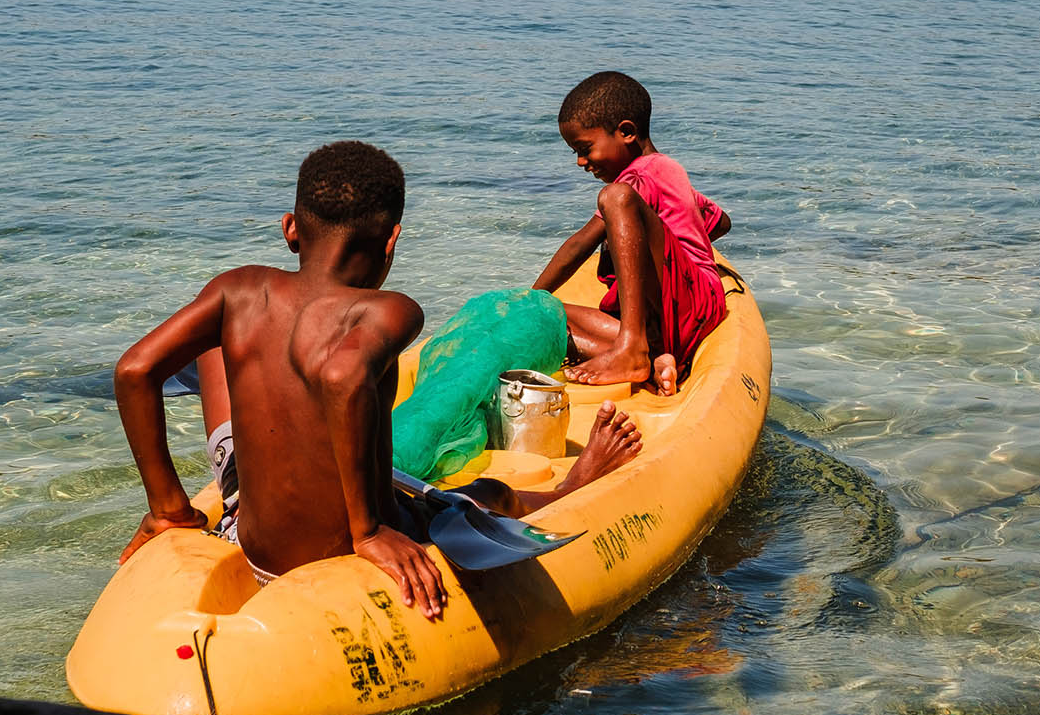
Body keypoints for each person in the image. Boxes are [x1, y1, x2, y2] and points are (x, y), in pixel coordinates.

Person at [113, 140, 643, 618]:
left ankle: (170, 510)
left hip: (244, 527)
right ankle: (573, 487)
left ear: (290, 229)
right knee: (488, 492)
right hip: (340, 544)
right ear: (391, 241)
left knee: (217, 336)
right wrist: (367, 532)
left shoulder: (237, 289)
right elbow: (343, 375)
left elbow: (135, 370)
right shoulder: (389, 311)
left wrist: (170, 509)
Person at [533, 72, 731, 396]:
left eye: (586, 149)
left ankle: (632, 349)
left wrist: (531, 293)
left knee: (615, 197)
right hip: (675, 316)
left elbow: (582, 243)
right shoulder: (666, 169)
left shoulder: (635, 180)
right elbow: (720, 222)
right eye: (576, 153)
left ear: (626, 132)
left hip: (690, 305)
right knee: (549, 315)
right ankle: (655, 360)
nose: (581, 162)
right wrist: (679, 245)